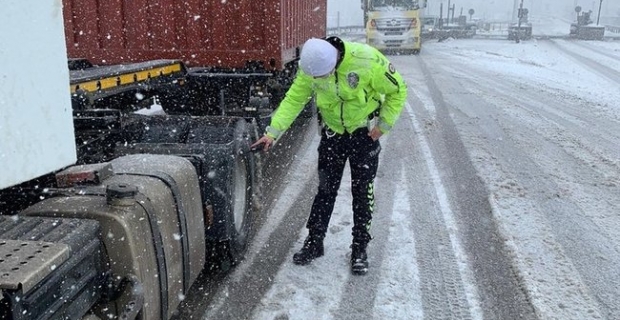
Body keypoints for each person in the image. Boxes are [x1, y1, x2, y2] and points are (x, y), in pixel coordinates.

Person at [251, 37, 407, 275]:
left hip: (364, 137)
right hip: (333, 136)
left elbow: (398, 90)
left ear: (334, 63)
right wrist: (272, 133)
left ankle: (359, 247)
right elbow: (294, 99)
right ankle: (315, 242)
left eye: (321, 77)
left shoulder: (367, 61)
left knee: (362, 193)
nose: (316, 81)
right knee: (325, 191)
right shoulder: (310, 67)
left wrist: (383, 126)